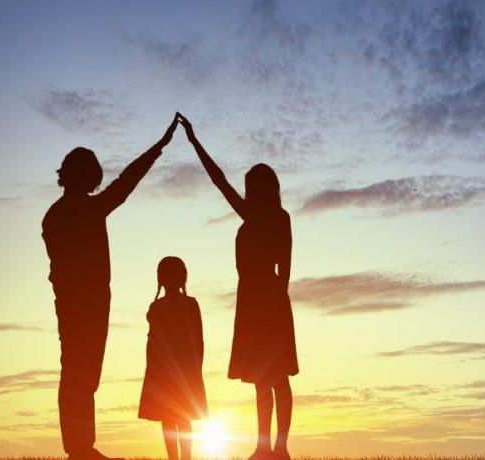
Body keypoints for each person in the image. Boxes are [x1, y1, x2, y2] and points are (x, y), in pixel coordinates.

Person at [42, 116, 178, 460]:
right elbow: (126, 183)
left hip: (83, 304)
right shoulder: (79, 212)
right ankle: (78, 448)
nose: (93, 179)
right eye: (88, 172)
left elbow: (125, 183)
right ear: (78, 175)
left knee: (82, 374)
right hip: (81, 306)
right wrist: (159, 147)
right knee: (78, 373)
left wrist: (158, 147)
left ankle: (80, 446)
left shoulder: (62, 214)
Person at [176, 112, 298, 460]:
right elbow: (219, 180)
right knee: (265, 378)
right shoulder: (259, 215)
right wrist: (194, 142)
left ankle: (279, 446)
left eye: (250, 186)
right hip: (258, 299)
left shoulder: (269, 217)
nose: (244, 191)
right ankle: (266, 446)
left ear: (260, 189)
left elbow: (286, 263)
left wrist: (277, 297)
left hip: (267, 299)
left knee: (276, 378)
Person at [139, 256, 208, 460]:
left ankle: (177, 458)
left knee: (171, 417)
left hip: (169, 372)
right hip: (179, 371)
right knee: (178, 417)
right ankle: (181, 458)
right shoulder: (182, 305)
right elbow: (199, 341)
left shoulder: (160, 308)